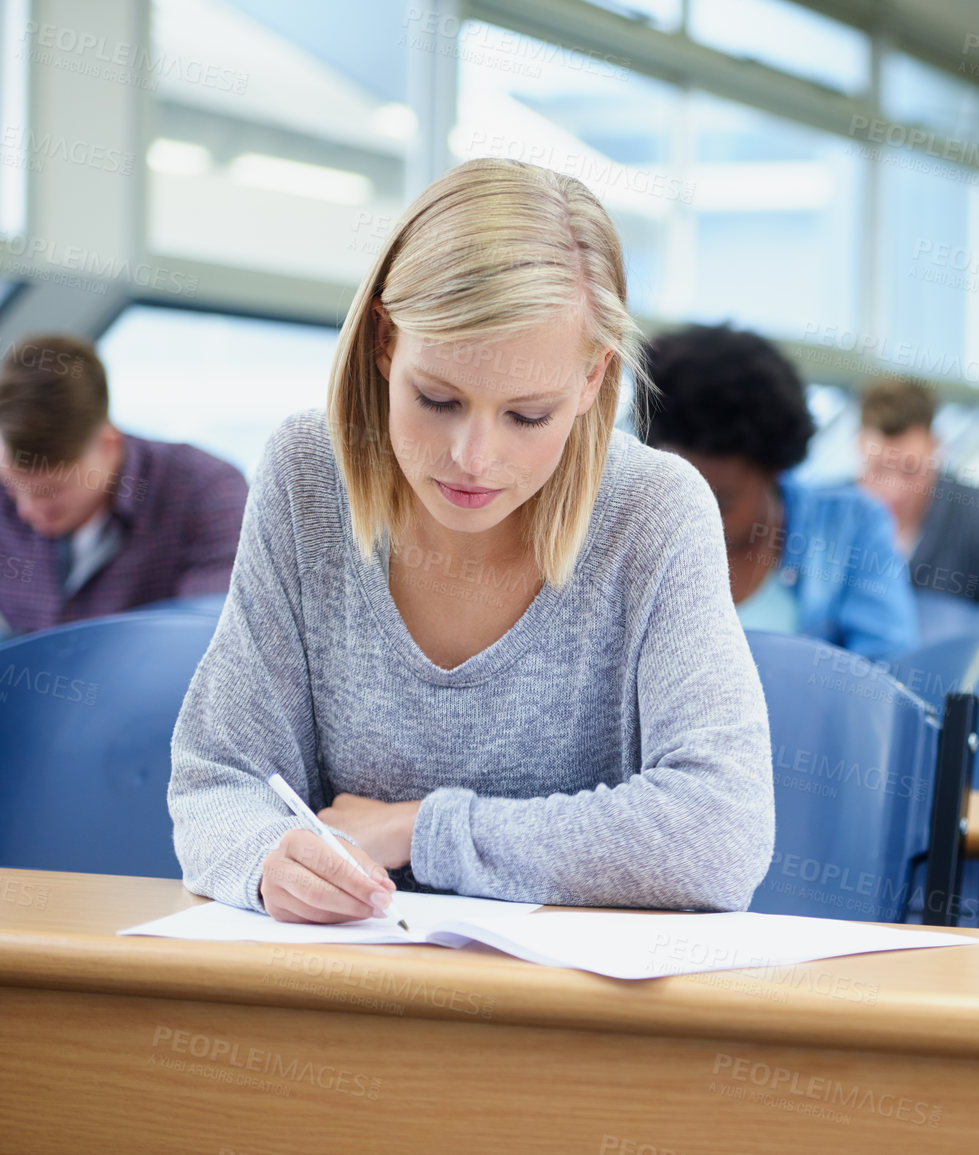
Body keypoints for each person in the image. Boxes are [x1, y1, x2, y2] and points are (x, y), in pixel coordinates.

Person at [168, 158, 774, 924]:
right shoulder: (304, 476)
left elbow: (720, 833)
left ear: (592, 380)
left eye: (527, 415)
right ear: (386, 341)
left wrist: (422, 828)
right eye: (438, 399)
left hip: (575, 1024)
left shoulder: (653, 511)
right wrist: (264, 858)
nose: (473, 458)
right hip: (337, 996)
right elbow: (219, 776)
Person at [643, 324, 918, 660]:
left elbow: (887, 681)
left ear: (775, 468)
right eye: (678, 497)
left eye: (721, 500)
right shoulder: (634, 539)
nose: (697, 517)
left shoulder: (850, 528)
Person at [0, 334, 247, 638]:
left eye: (51, 492)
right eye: (12, 488)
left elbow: (213, 640)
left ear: (108, 444)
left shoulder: (206, 490)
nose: (27, 510)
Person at [856, 376, 979, 604]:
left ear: (936, 448)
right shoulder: (828, 516)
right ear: (859, 447)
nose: (894, 490)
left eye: (910, 469)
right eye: (879, 469)